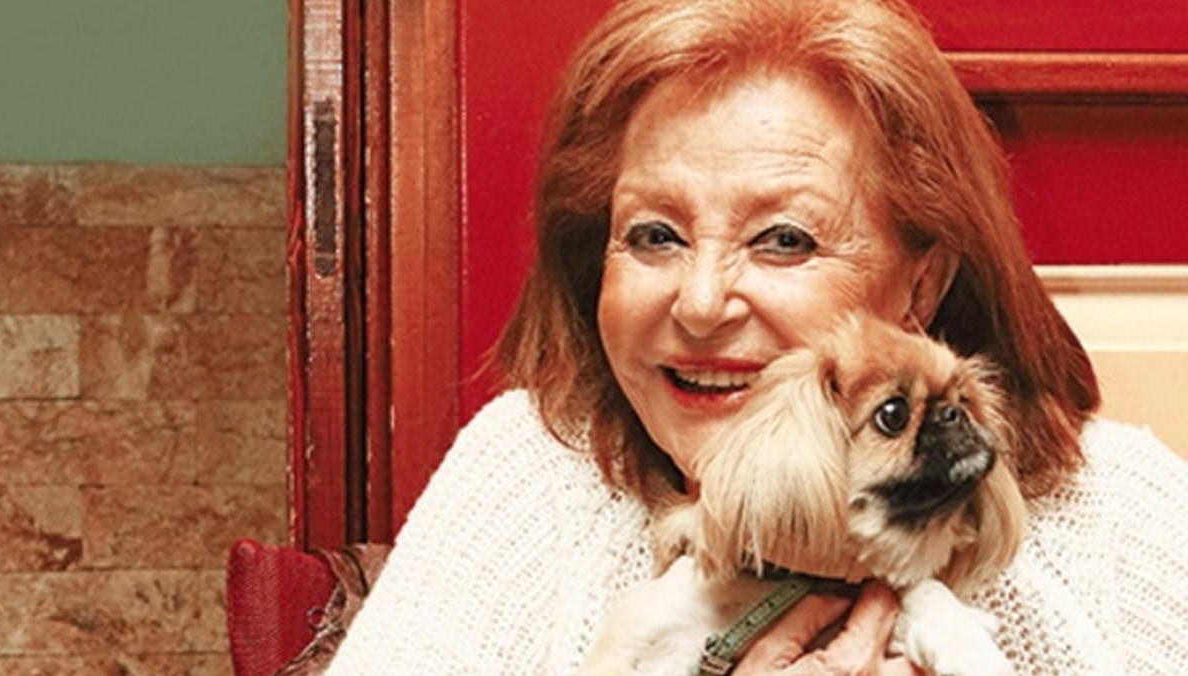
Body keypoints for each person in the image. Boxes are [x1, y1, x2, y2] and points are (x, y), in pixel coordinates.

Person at [327, 0, 1188, 673]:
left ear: (921, 285)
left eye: (784, 240)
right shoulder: (530, 472)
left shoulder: (1118, 511)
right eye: (655, 235)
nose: (701, 305)